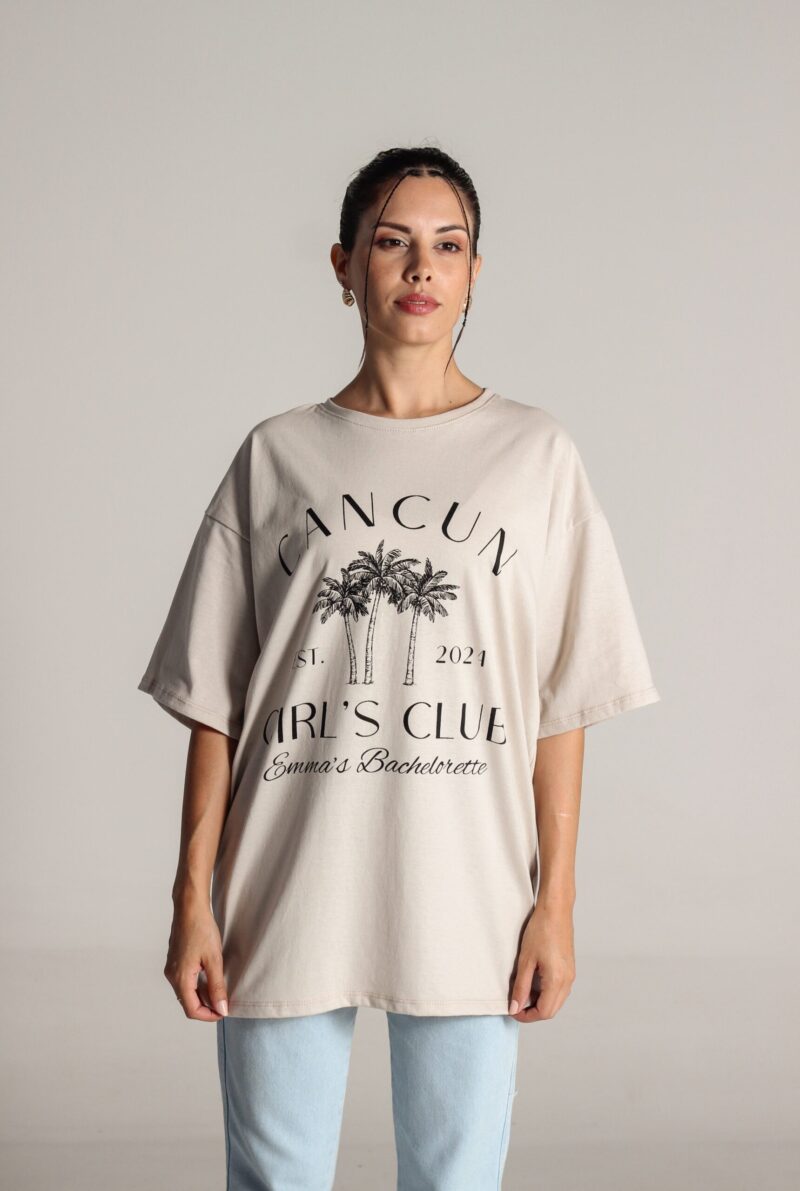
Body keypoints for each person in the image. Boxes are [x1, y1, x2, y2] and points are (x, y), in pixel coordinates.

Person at [137, 145, 661, 1190]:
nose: (422, 267)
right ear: (344, 266)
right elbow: (215, 705)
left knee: (454, 1179)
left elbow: (562, 705)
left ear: (474, 272)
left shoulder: (536, 455)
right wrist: (191, 898)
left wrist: (555, 905)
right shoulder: (276, 454)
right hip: (285, 880)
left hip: (471, 887)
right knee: (273, 1178)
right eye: (391, 242)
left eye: (447, 245)